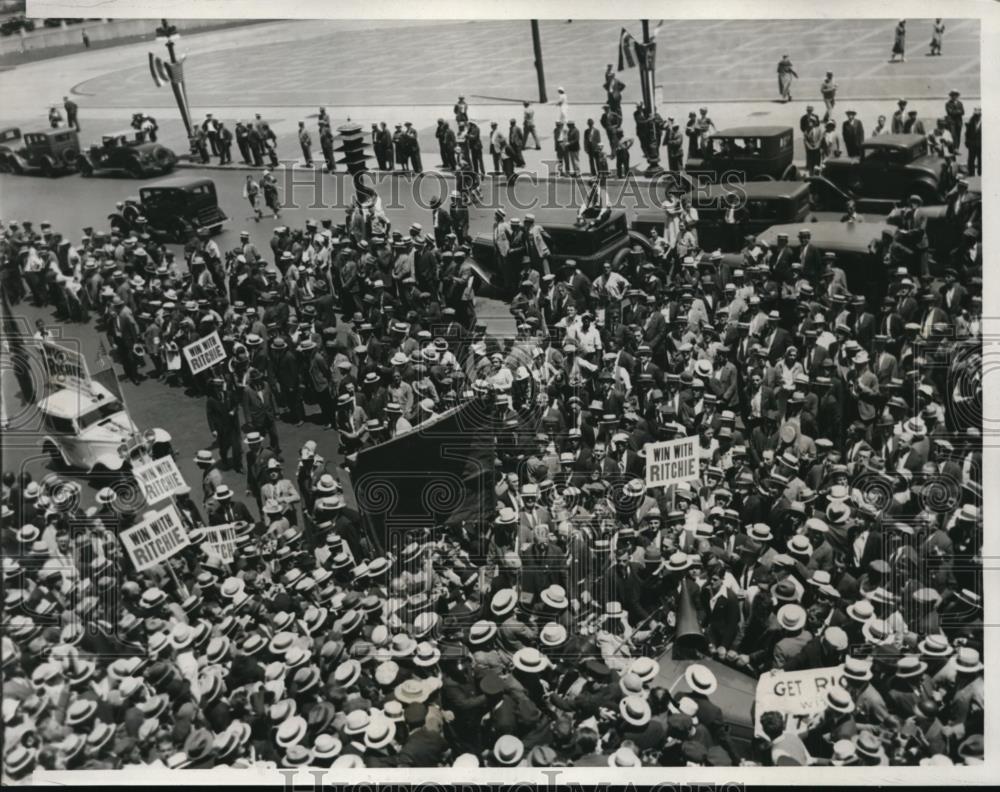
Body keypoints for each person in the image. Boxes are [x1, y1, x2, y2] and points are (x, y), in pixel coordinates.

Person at [965, 107, 982, 176]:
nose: (977, 116)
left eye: (978, 115)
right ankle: (971, 172)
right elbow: (967, 133)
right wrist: (967, 141)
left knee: (981, 159)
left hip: (981, 144)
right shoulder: (971, 121)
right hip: (972, 144)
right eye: (976, 115)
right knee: (971, 159)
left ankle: (980, 172)